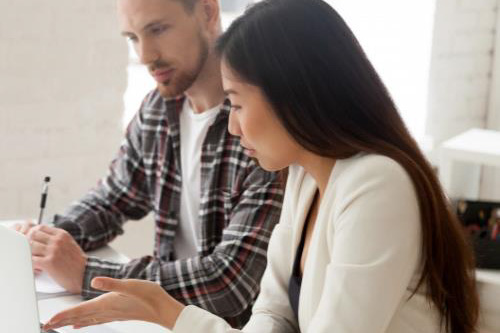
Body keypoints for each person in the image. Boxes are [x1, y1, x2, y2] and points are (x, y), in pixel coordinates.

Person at [43, 0, 480, 332]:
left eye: (235, 103)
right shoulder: (304, 179)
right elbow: (270, 317)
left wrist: (170, 312)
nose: (232, 127)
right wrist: (168, 312)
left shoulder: (376, 184)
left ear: (293, 94)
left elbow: (240, 291)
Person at [15, 0, 283, 327]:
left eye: (157, 30)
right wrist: (49, 239)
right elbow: (113, 198)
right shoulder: (159, 108)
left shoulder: (261, 127)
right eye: (132, 37)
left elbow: (229, 283)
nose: (144, 56)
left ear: (208, 12)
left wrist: (87, 274)